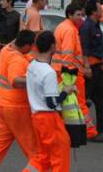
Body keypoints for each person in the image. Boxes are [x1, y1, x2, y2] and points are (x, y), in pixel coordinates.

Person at [0, 30, 40, 171]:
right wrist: (37, 79)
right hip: (17, 109)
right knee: (35, 150)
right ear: (26, 45)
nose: (32, 50)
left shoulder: (6, 50)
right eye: (31, 46)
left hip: (2, 105)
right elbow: (16, 80)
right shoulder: (17, 60)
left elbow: (22, 51)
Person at [54, 1, 103, 142]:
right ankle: (90, 132)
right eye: (78, 15)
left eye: (82, 15)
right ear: (69, 15)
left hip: (62, 72)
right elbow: (68, 56)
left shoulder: (62, 27)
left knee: (64, 104)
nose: (81, 18)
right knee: (79, 103)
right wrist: (78, 72)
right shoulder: (70, 30)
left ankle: (63, 131)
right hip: (70, 73)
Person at [27, 31, 73, 172]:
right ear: (52, 46)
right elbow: (52, 103)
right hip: (49, 119)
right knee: (60, 155)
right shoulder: (49, 72)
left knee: (43, 157)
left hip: (36, 116)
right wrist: (66, 91)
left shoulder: (32, 65)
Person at [80, 1, 103, 135]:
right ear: (94, 12)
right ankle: (80, 128)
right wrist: (87, 67)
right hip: (90, 67)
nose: (102, 11)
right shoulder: (87, 27)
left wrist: (101, 64)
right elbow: (84, 48)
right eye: (100, 9)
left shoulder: (96, 25)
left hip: (98, 66)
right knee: (83, 99)